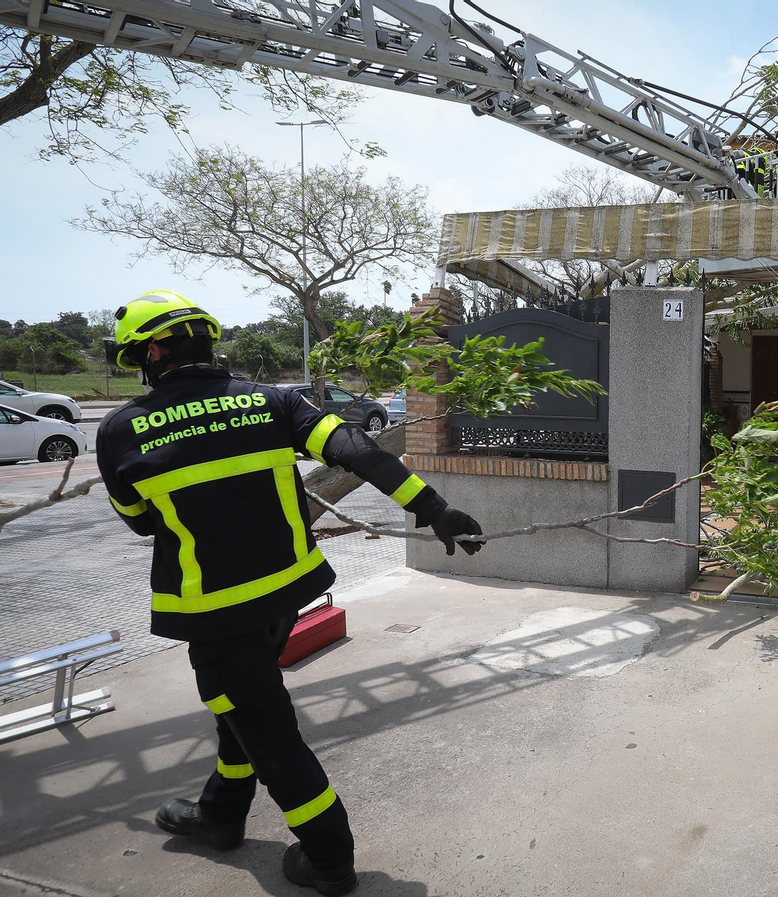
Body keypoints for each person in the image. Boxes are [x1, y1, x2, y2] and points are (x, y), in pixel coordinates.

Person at [96, 290, 486, 894]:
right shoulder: (274, 400)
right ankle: (221, 815)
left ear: (154, 352)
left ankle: (329, 857)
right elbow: (357, 450)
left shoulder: (121, 430)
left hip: (215, 610)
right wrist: (433, 507)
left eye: (135, 360)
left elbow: (143, 521)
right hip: (286, 592)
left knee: (267, 731)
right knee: (241, 713)